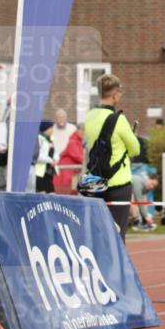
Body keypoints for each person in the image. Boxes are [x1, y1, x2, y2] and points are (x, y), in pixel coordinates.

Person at [84, 74, 141, 241]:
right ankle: (117, 266)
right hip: (118, 183)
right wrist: (130, 136)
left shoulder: (89, 116)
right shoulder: (119, 119)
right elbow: (135, 149)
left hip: (95, 180)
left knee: (98, 233)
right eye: (120, 91)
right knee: (117, 233)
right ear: (115, 93)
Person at [53, 125, 85, 194]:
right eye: (81, 130)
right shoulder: (73, 142)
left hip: (71, 172)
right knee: (68, 194)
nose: (83, 132)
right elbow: (78, 157)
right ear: (77, 131)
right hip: (66, 172)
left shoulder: (78, 142)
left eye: (84, 131)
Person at [34, 121, 56, 193]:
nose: (53, 130)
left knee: (51, 193)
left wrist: (55, 159)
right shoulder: (40, 139)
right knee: (41, 193)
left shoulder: (50, 139)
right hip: (39, 172)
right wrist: (50, 160)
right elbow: (37, 155)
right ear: (46, 129)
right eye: (51, 128)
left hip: (48, 171)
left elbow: (55, 152)